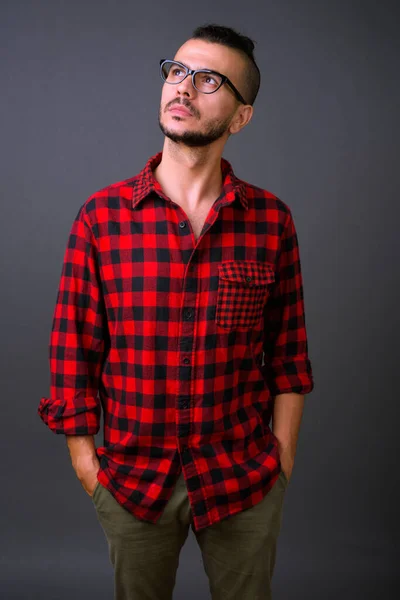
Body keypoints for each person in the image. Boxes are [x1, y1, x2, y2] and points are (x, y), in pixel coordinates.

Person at [38, 22, 315, 600]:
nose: (184, 88)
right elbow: (72, 354)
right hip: (133, 481)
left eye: (210, 79)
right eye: (178, 71)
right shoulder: (101, 218)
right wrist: (90, 470)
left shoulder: (271, 221)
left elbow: (289, 357)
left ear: (241, 117)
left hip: (243, 476)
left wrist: (282, 460)